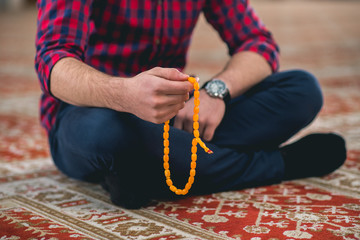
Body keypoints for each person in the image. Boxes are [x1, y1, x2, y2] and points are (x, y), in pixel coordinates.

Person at [35, 0, 346, 209]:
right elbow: (53, 62)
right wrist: (125, 94)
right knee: (112, 136)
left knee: (301, 89)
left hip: (176, 118)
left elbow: (257, 43)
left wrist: (216, 92)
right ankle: (280, 164)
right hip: (91, 113)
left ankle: (148, 171)